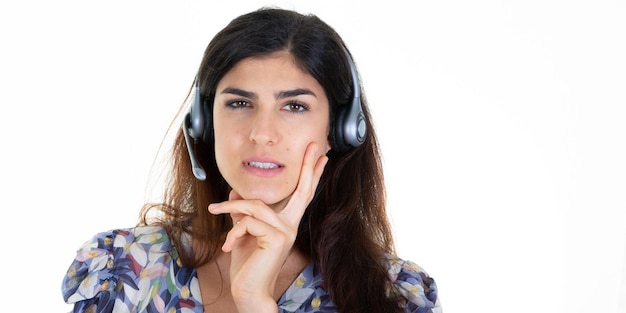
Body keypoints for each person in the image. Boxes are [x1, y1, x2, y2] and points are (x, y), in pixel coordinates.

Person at [61, 7, 441, 313]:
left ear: (339, 129)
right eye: (240, 103)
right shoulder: (124, 270)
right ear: (203, 122)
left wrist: (255, 302)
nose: (262, 132)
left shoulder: (396, 297)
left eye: (294, 106)